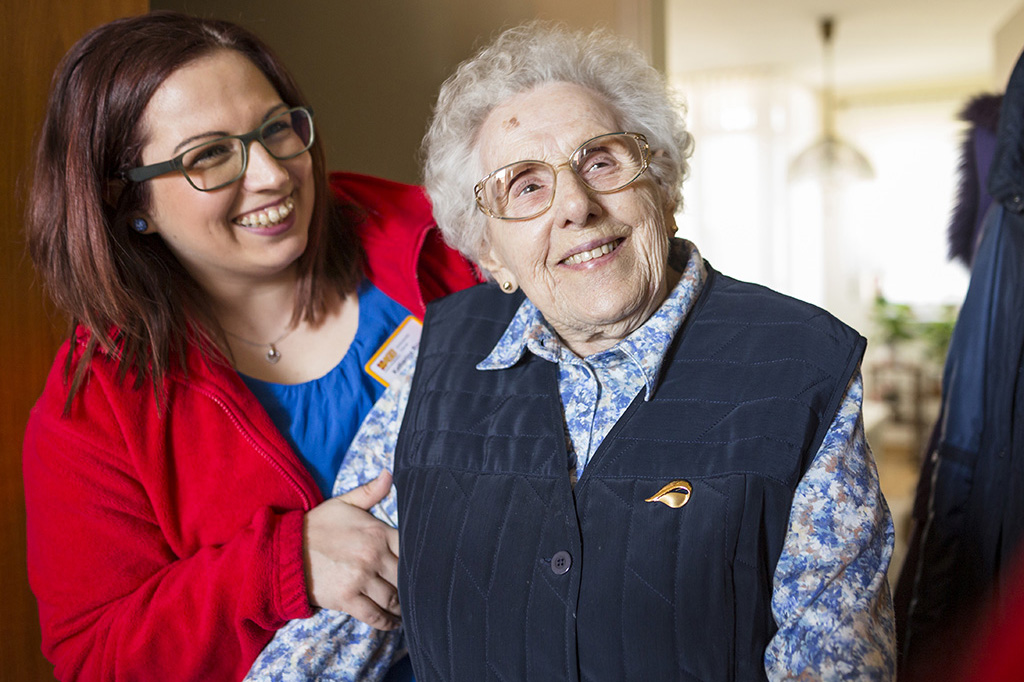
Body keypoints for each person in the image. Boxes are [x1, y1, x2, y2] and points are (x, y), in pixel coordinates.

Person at [258, 21, 897, 681]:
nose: (575, 206)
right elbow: (327, 645)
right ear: (488, 253)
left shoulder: (802, 366)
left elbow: (835, 664)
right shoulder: (432, 361)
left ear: (665, 188)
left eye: (601, 161)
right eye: (526, 185)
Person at [21, 11, 479, 681]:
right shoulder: (93, 412)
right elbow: (96, 659)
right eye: (209, 155)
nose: (270, 175)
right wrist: (280, 568)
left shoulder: (441, 245)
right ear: (126, 202)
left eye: (276, 130)